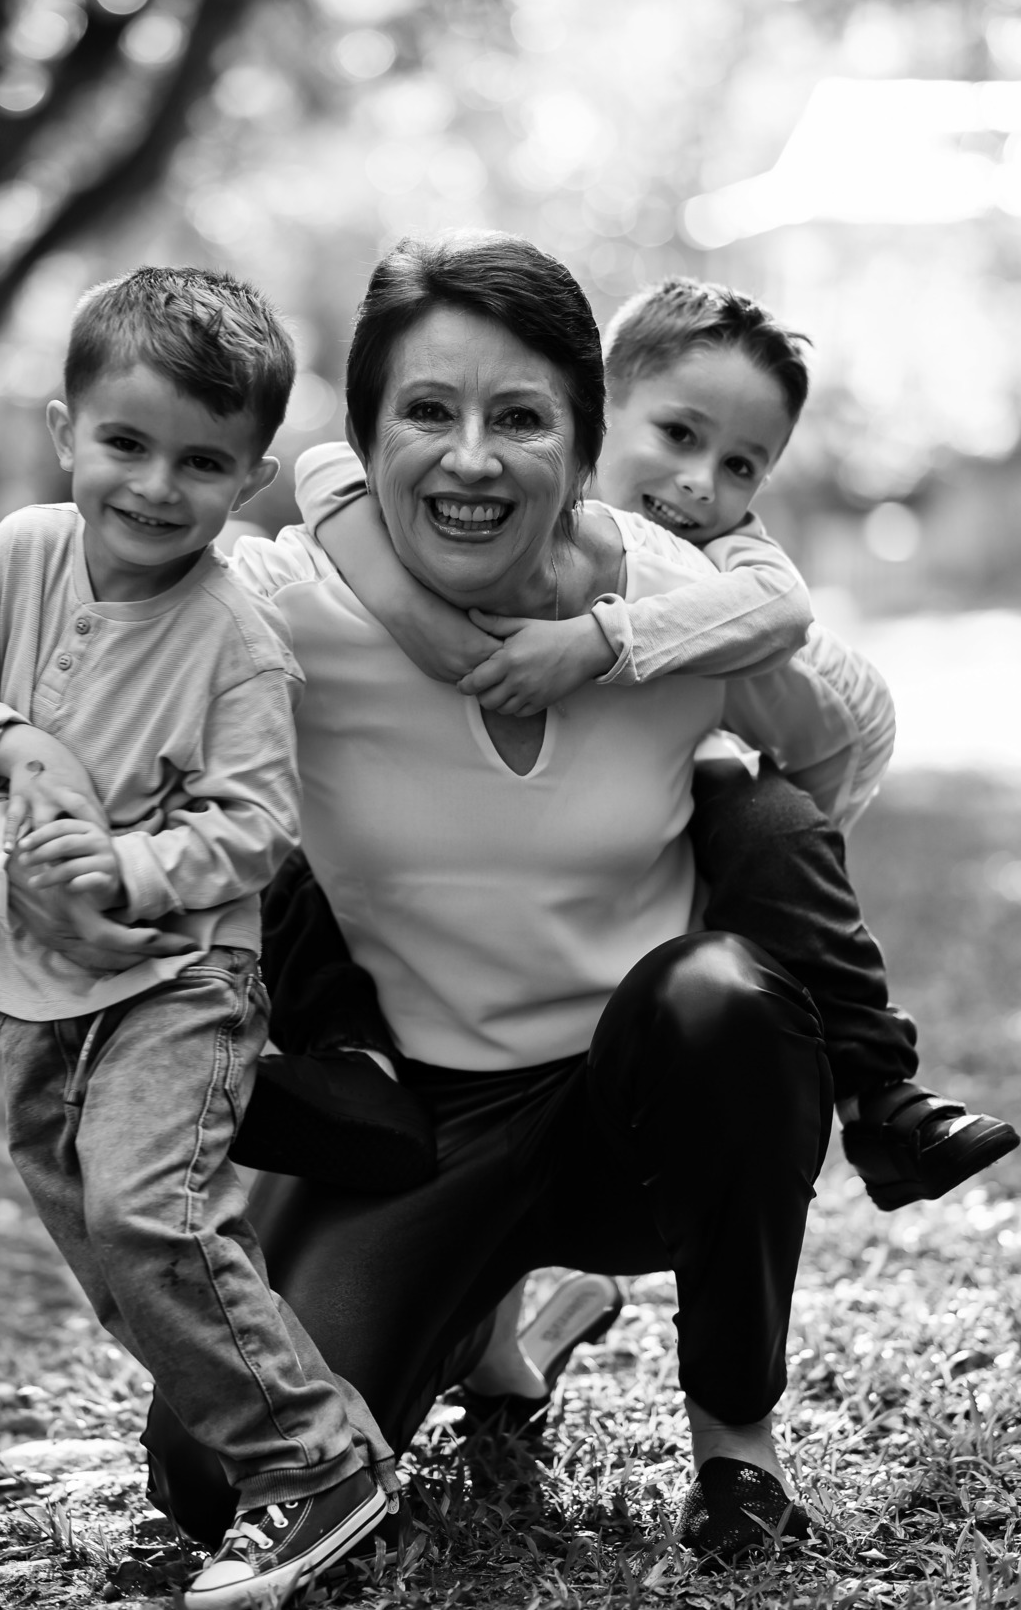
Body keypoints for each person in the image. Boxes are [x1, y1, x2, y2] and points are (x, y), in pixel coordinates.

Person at [124, 230, 845, 1570]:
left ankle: (737, 1454)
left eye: (520, 419)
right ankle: (503, 1316)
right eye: (426, 414)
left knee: (727, 1000)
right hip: (420, 1118)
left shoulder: (671, 600)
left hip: (639, 1106)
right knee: (210, 1474)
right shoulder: (288, 608)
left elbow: (838, 733)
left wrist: (699, 732)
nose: (470, 460)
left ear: (583, 447)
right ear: (365, 439)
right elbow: (103, 647)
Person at [0, 267, 396, 1610]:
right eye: (127, 443)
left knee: (145, 1210)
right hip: (37, 987)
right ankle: (281, 1432)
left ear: (252, 477)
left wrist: (127, 865)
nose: (158, 486)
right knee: (97, 1235)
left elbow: (260, 825)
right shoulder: (19, 555)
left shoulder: (237, 639)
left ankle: (318, 1465)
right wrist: (10, 740)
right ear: (67, 431)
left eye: (202, 462)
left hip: (184, 978)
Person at [292, 274, 1018, 1213]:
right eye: (678, 435)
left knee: (768, 817)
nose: (702, 482)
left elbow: (786, 614)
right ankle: (358, 1074)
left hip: (666, 845)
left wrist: (599, 643)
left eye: (742, 465)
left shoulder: (731, 554)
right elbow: (327, 468)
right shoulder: (513, 490)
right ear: (596, 412)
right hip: (477, 927)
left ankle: (879, 1095)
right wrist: (409, 613)